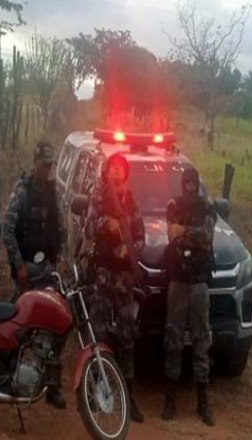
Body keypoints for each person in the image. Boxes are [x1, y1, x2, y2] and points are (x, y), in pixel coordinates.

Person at [2, 140, 68, 409]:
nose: (47, 170)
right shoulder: (22, 191)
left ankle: (52, 385)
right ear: (35, 163)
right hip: (27, 270)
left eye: (50, 166)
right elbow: (7, 230)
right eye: (43, 165)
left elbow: (63, 231)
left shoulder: (54, 193)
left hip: (48, 271)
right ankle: (10, 374)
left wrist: (62, 258)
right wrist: (18, 265)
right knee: (15, 323)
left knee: (58, 326)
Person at [83, 152, 146, 423]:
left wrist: (128, 248)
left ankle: (128, 397)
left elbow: (141, 238)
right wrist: (104, 224)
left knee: (126, 337)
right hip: (102, 276)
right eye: (113, 168)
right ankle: (94, 393)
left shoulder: (131, 202)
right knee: (97, 335)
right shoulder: (97, 198)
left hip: (124, 280)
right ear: (106, 172)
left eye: (121, 168)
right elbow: (87, 229)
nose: (117, 172)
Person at [161, 164, 216, 426]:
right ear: (182, 184)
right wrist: (187, 236)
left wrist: (185, 233)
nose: (190, 187)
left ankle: (203, 403)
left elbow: (207, 237)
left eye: (194, 182)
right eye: (186, 183)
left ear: (199, 183)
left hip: (199, 284)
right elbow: (172, 236)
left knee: (201, 340)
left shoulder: (208, 207)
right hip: (178, 283)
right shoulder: (173, 205)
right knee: (173, 339)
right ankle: (170, 400)